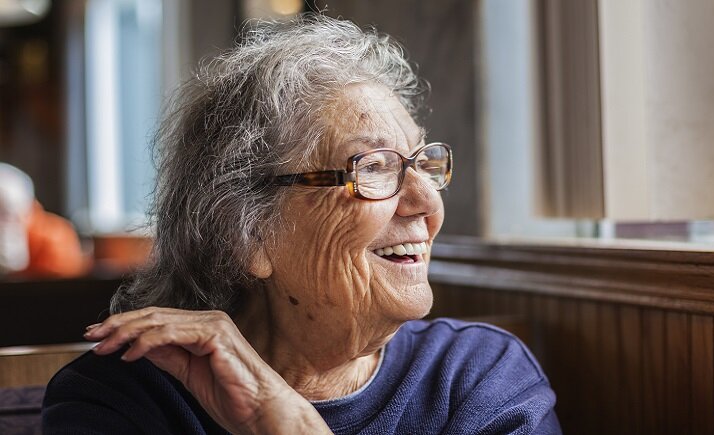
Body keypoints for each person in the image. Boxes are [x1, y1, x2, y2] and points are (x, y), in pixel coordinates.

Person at [43, 15, 561, 434]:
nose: (426, 202)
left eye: (423, 164)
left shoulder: (478, 378)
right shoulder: (120, 402)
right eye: (373, 168)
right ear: (247, 232)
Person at [0, 162, 84, 278]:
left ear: (30, 208)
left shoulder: (55, 237)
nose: (4, 224)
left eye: (6, 215)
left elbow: (59, 289)